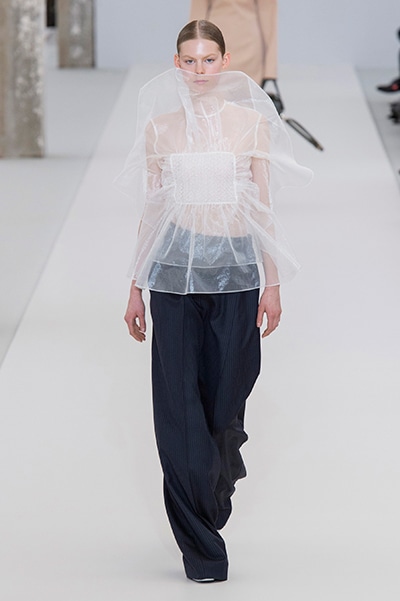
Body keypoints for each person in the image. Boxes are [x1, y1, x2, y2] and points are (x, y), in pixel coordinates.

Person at [117, 19, 311, 583]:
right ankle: (202, 548)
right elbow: (152, 211)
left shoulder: (250, 124)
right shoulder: (159, 130)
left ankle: (214, 482)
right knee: (178, 408)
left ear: (224, 62)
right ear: (176, 64)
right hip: (172, 276)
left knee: (227, 402)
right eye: (189, 60)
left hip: (236, 274)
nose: (199, 70)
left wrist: (273, 283)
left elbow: (263, 207)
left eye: (208, 59)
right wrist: (134, 285)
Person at [189, 0, 278, 85]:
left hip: (246, 51)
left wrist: (270, 71)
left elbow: (268, 17)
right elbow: (198, 14)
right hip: (216, 45)